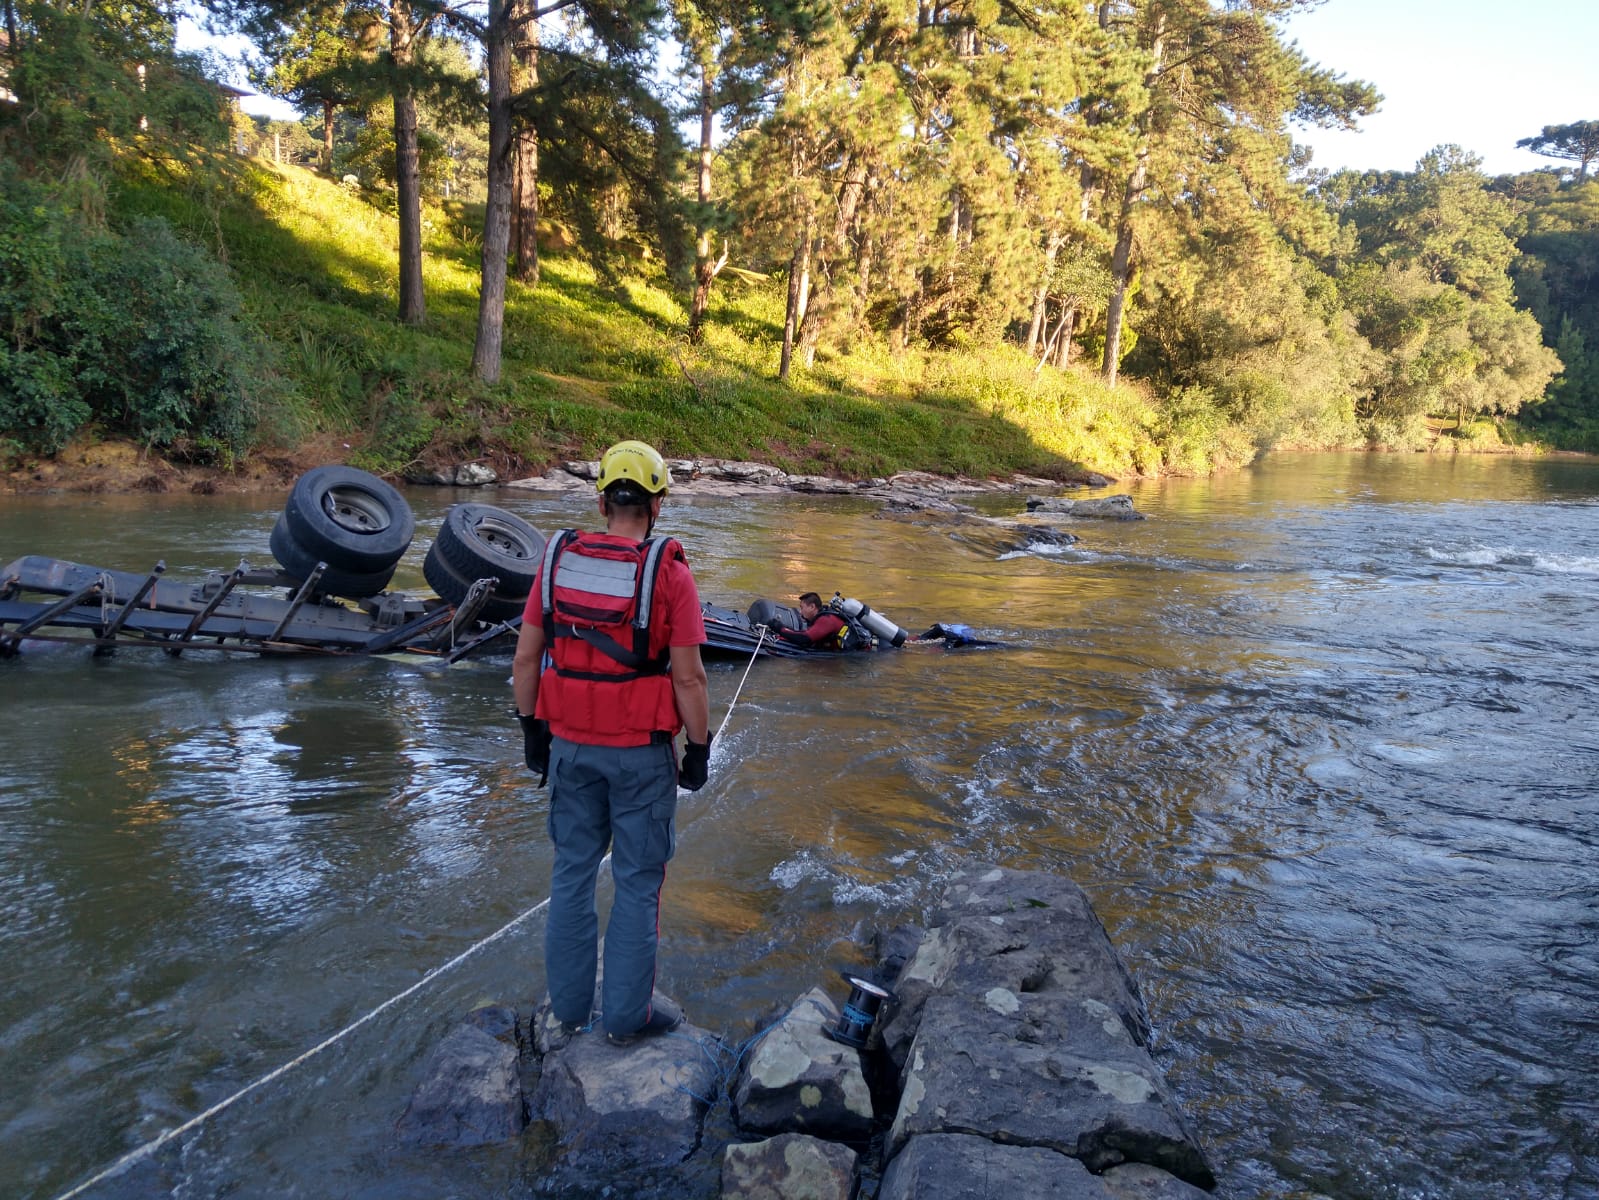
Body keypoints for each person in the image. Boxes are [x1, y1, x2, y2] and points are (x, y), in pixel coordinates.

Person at [511, 440, 711, 1046]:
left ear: (602, 502)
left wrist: (531, 731)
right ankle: (627, 1019)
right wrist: (697, 750)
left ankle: (569, 1015)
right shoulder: (670, 574)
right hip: (641, 758)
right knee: (638, 883)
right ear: (656, 508)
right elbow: (690, 677)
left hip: (569, 747)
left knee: (570, 875)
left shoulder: (555, 562)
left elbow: (525, 658)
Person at [769, 592, 852, 650]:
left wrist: (780, 629)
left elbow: (804, 638)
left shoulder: (826, 620)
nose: (800, 612)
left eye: (802, 608)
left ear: (812, 607)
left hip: (857, 654)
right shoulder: (821, 616)